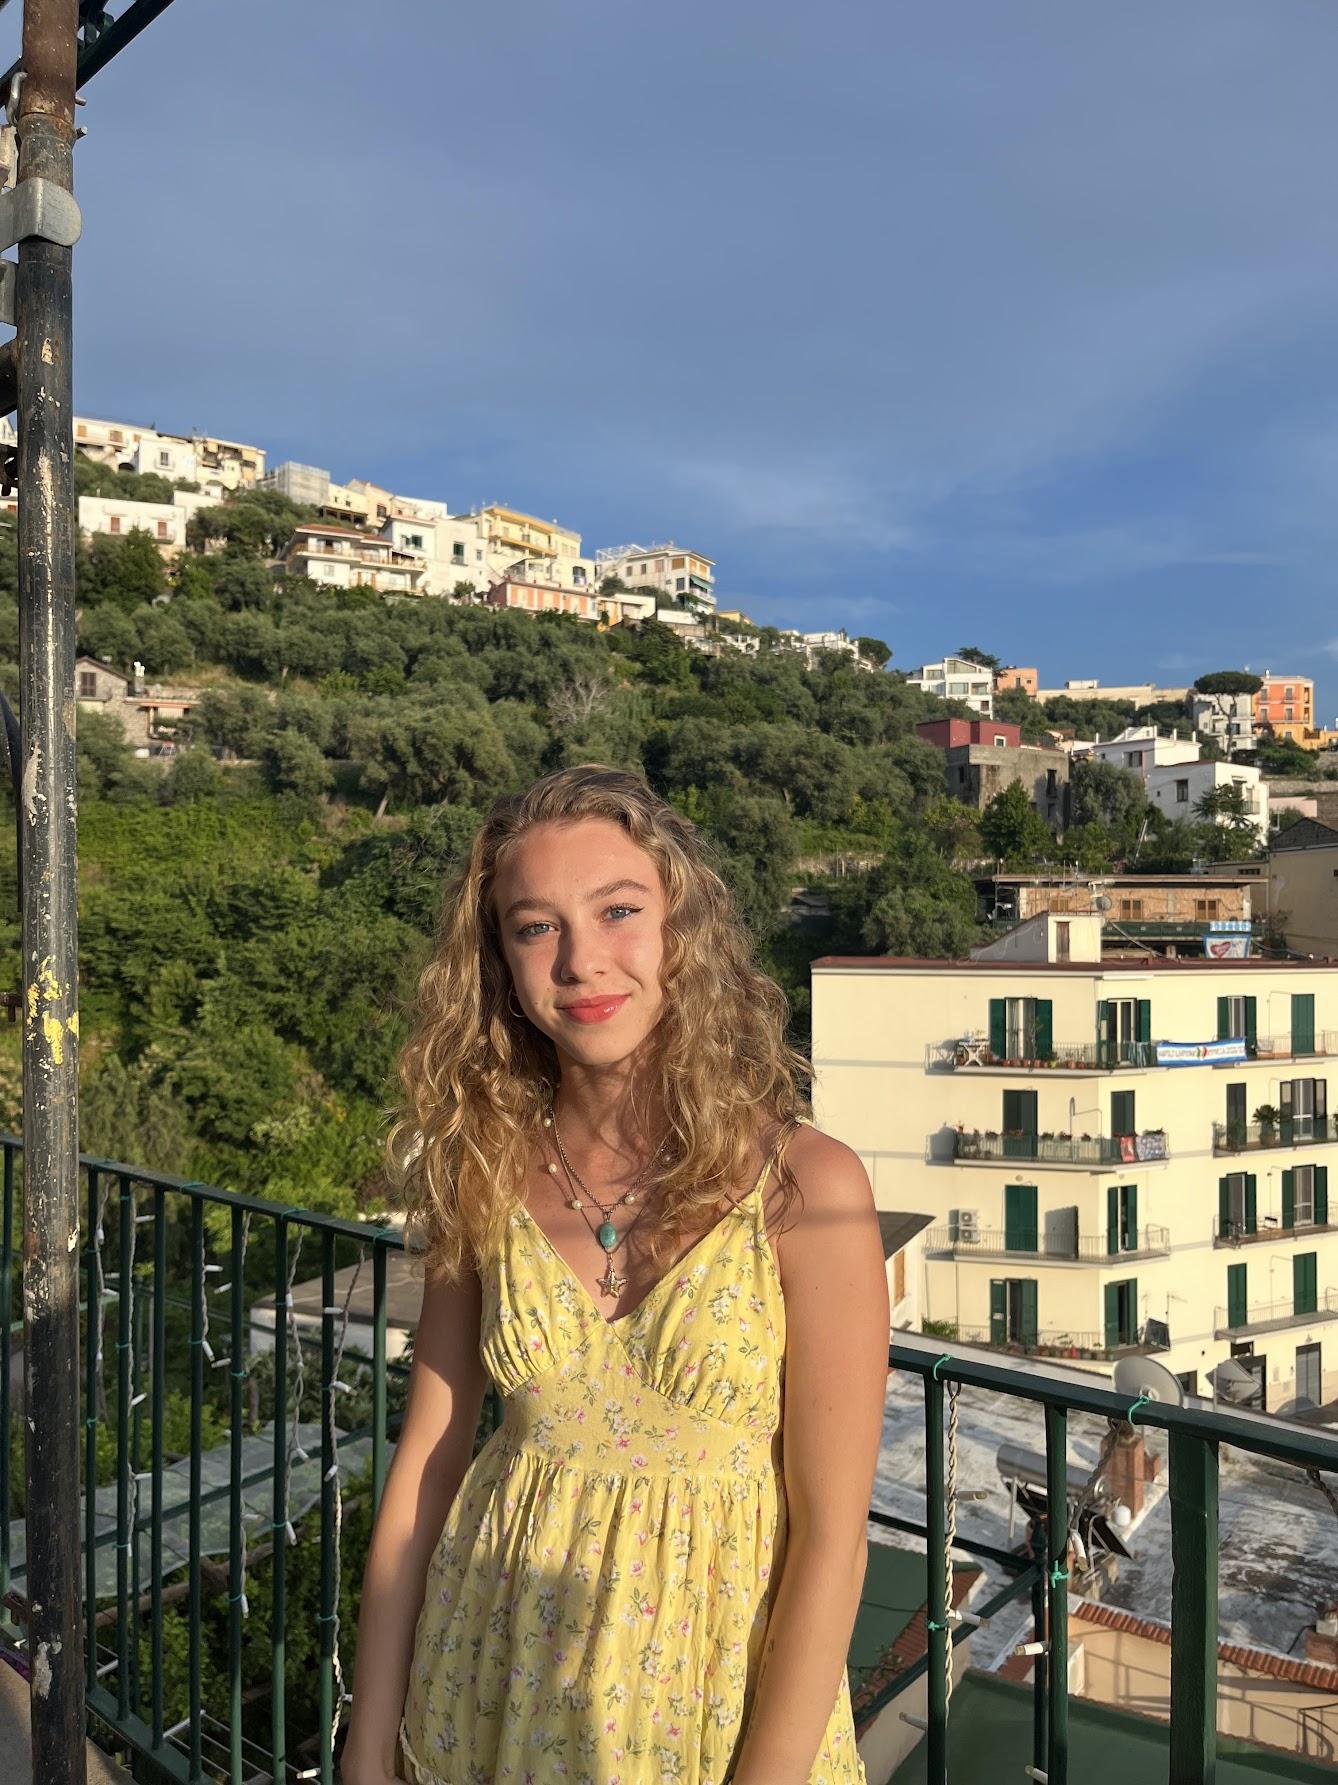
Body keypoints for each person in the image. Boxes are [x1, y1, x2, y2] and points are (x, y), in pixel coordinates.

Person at [341, 765, 888, 1785]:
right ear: (499, 963)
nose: (583, 958)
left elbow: (832, 1541)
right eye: (535, 927)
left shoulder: (808, 1188)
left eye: (619, 910)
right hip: (485, 1683)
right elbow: (425, 1464)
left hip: (710, 1713)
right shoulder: (482, 1168)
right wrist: (368, 1742)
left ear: (682, 930)